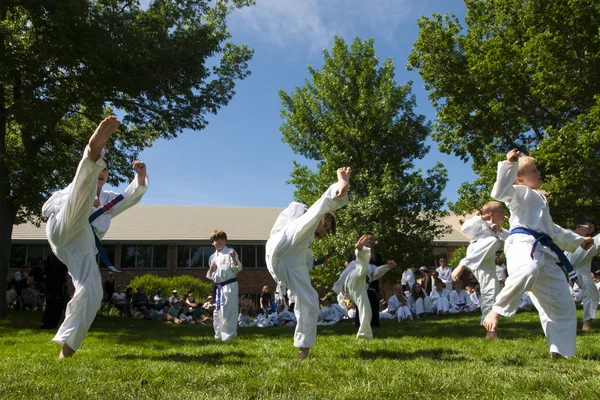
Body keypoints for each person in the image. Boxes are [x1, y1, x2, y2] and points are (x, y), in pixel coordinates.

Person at [42, 116, 148, 358]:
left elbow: (131, 197)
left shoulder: (111, 197)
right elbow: (46, 208)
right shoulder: (69, 190)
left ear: (108, 174)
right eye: (100, 167)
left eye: (104, 169)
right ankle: (92, 150)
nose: (102, 173)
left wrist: (140, 177)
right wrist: (91, 167)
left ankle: (66, 350)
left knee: (93, 292)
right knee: (81, 192)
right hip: (63, 227)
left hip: (83, 243)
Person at [483, 149, 593, 358]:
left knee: (562, 303)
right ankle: (496, 310)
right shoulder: (518, 192)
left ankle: (560, 353)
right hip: (522, 245)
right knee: (528, 268)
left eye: (536, 169)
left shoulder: (540, 199)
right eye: (533, 170)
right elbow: (499, 192)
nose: (539, 172)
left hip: (544, 251)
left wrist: (579, 241)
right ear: (520, 179)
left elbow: (553, 229)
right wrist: (509, 164)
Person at [266, 167, 351, 359]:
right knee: (311, 215)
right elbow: (306, 215)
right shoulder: (301, 212)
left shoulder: (307, 245)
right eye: (326, 225)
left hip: (287, 264)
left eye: (327, 231)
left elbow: (308, 263)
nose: (324, 232)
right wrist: (337, 191)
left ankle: (303, 351)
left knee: (311, 300)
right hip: (281, 242)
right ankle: (338, 188)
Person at [450, 201, 509, 338]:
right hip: (476, 254)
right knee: (494, 241)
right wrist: (483, 219)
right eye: (502, 211)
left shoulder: (496, 228)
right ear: (491, 214)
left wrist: (500, 231)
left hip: (487, 258)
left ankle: (490, 330)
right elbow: (465, 228)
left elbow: (513, 238)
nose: (504, 215)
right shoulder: (480, 223)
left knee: (492, 290)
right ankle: (462, 265)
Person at [333, 233, 396, 338]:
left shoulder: (371, 267)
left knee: (366, 311)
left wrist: (387, 266)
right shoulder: (355, 262)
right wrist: (338, 288)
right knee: (361, 269)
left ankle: (364, 333)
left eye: (372, 241)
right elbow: (344, 274)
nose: (370, 242)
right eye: (368, 240)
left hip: (361, 288)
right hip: (352, 282)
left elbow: (376, 273)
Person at [564, 216, 600, 331]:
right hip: (569, 262)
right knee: (597, 240)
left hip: (580, 268)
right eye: (588, 227)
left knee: (592, 293)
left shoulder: (586, 242)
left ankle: (586, 325)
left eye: (592, 228)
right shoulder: (567, 234)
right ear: (578, 227)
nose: (590, 231)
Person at [207, 229, 242, 342]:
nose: (219, 242)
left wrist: (233, 258)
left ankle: (228, 337)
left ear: (225, 241)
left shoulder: (230, 252)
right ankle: (218, 336)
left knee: (229, 311)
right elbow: (211, 276)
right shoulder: (212, 257)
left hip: (229, 285)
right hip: (218, 287)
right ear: (212, 242)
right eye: (216, 240)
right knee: (217, 312)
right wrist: (211, 269)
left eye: (222, 239)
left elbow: (237, 268)